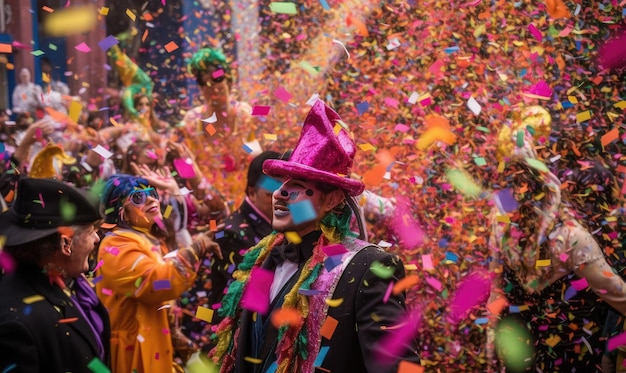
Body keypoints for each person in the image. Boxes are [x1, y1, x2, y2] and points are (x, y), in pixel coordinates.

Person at [209, 100, 421, 373]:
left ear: (331, 199)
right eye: (279, 184)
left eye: (296, 187)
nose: (279, 194)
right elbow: (249, 345)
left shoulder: (368, 267)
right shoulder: (263, 258)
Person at [487, 128, 626, 372]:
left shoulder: (499, 222)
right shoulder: (570, 237)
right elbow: (617, 294)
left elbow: (496, 287)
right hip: (566, 354)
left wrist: (492, 334)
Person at [96, 174, 222, 373]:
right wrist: (195, 249)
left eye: (152, 193)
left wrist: (187, 350)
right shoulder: (115, 245)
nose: (151, 199)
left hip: (156, 345)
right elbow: (158, 282)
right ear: (121, 212)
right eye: (137, 197)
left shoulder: (146, 239)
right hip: (134, 354)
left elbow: (218, 210)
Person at [0, 177, 110, 372]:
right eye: (91, 231)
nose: (97, 238)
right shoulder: (15, 325)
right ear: (65, 244)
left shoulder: (70, 286)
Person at [178, 150, 284, 349]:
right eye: (271, 195)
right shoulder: (232, 234)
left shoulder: (277, 224)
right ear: (251, 192)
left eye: (287, 193)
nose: (280, 202)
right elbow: (241, 300)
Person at [178, 47, 253, 211]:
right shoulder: (191, 122)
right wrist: (195, 199)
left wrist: (245, 149)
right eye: (205, 83)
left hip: (246, 208)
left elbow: (256, 154)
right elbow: (182, 165)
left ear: (229, 80)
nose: (213, 87)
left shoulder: (244, 115)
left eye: (217, 79)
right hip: (208, 209)